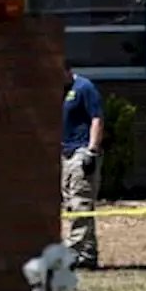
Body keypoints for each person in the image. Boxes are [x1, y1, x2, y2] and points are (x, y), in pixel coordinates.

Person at [61, 61, 105, 270]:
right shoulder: (57, 91)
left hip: (82, 151)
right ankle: (88, 254)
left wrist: (92, 150)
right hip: (65, 153)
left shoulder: (84, 87)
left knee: (81, 202)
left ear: (67, 71)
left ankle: (71, 251)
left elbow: (97, 118)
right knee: (72, 203)